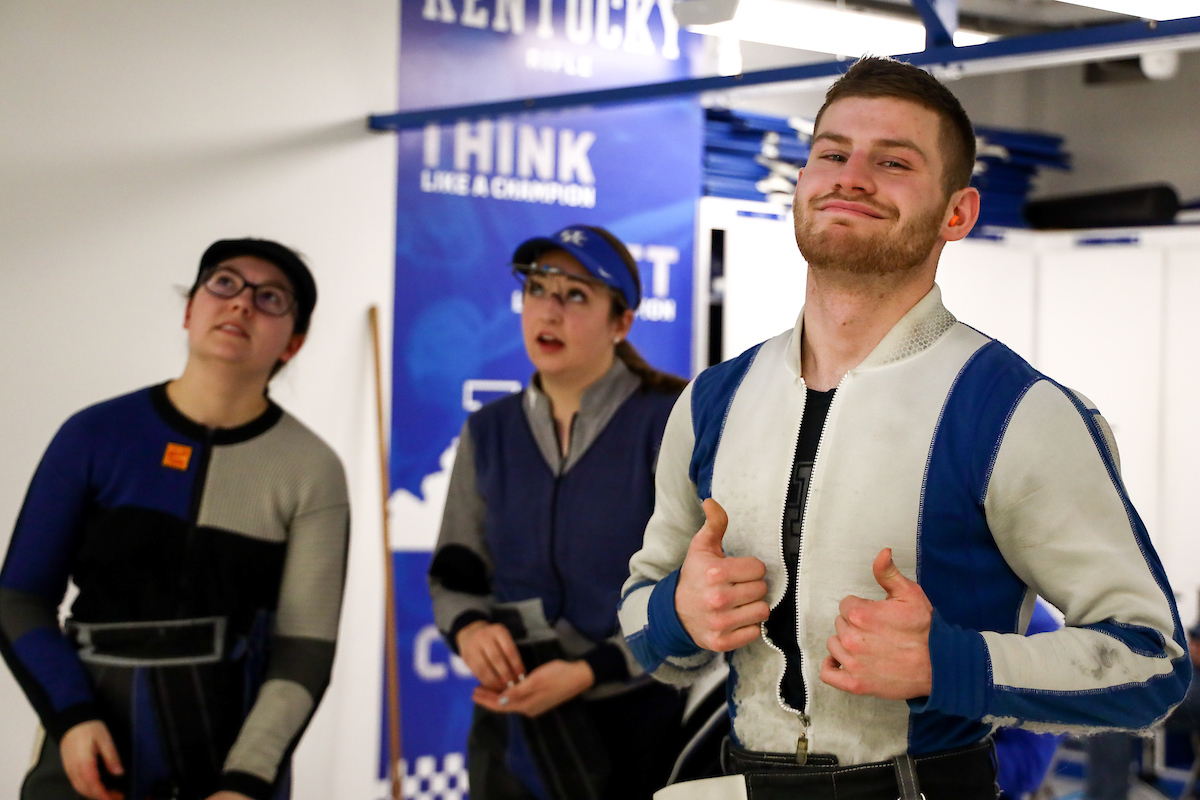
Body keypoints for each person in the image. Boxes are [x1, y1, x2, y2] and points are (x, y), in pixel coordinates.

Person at [619, 56, 1189, 800]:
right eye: (832, 154)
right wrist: (678, 612)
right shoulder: (711, 402)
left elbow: (1152, 663)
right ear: (802, 183)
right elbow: (643, 625)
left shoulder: (1017, 412)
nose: (852, 177)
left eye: (893, 162)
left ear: (958, 213)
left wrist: (949, 666)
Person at [0, 239, 349, 800]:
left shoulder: (311, 470)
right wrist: (72, 716)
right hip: (91, 747)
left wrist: (247, 780)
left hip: (228, 756)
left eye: (270, 298)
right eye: (224, 283)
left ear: (294, 343)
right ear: (190, 310)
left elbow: (303, 650)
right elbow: (19, 599)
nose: (241, 303)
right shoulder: (93, 435)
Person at [428, 225, 688, 800]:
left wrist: (594, 669)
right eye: (537, 290)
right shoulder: (488, 430)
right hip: (516, 716)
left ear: (621, 323)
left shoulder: (671, 420)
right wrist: (470, 629)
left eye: (575, 295)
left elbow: (691, 586)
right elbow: (456, 569)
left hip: (637, 720)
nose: (549, 311)